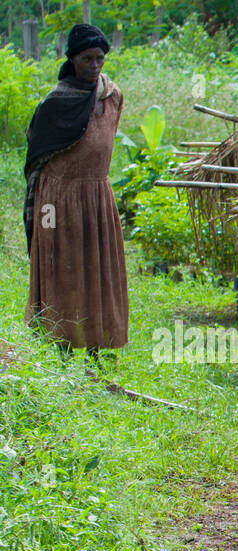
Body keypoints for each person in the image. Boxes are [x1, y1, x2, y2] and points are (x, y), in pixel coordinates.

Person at [24, 23, 128, 353]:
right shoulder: (55, 104)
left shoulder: (111, 96)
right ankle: (61, 342)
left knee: (97, 268)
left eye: (100, 58)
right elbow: (36, 155)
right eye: (87, 58)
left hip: (97, 197)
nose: (95, 64)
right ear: (72, 59)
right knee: (58, 262)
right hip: (55, 201)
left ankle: (97, 341)